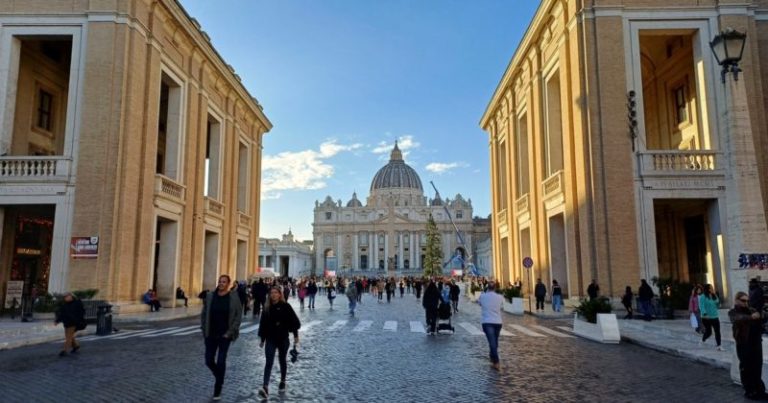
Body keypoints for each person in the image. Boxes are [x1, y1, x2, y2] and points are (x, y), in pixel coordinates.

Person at [201, 275, 242, 401]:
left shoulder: (233, 297)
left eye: (224, 282)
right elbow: (204, 313)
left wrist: (229, 332)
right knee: (208, 360)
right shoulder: (210, 296)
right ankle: (219, 376)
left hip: (225, 335)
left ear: (229, 284)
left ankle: (218, 387)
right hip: (211, 334)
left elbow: (238, 316)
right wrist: (204, 329)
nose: (221, 283)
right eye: (219, 281)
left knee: (221, 360)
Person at [258, 286, 301, 400]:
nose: (273, 295)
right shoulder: (266, 307)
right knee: (269, 362)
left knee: (282, 360)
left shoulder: (286, 306)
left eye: (276, 293)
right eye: (271, 293)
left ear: (279, 294)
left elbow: (293, 321)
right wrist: (262, 339)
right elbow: (263, 324)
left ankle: (282, 380)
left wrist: (296, 336)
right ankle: (265, 387)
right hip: (270, 339)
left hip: (283, 339)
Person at [729, 291, 767, 400]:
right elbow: (737, 318)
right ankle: (749, 391)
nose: (746, 303)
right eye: (743, 300)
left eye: (747, 300)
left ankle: (760, 391)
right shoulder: (733, 312)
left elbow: (761, 318)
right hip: (744, 343)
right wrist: (751, 317)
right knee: (746, 368)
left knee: (757, 367)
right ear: (737, 300)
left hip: (756, 343)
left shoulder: (752, 310)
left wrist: (762, 314)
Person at [478, 282, 504, 370]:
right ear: (495, 288)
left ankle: (496, 361)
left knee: (492, 342)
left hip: (487, 321)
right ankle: (492, 356)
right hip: (498, 322)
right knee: (495, 341)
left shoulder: (483, 296)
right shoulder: (500, 297)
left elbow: (479, 303)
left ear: (487, 288)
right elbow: (501, 305)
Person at [54, 292, 85, 357]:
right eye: (65, 297)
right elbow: (61, 314)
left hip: (74, 322)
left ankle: (64, 350)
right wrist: (57, 321)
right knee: (69, 336)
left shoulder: (77, 303)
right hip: (66, 323)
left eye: (67, 297)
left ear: (71, 296)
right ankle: (76, 346)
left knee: (68, 337)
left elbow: (81, 312)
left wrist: (79, 319)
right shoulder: (64, 305)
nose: (65, 298)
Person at [699, 283, 723, 351]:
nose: (712, 289)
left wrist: (718, 304)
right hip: (706, 318)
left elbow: (717, 305)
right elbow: (701, 306)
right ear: (707, 289)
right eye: (711, 288)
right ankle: (703, 340)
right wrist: (704, 314)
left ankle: (719, 346)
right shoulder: (703, 297)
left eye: (712, 287)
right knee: (709, 332)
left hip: (715, 316)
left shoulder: (714, 295)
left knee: (717, 331)